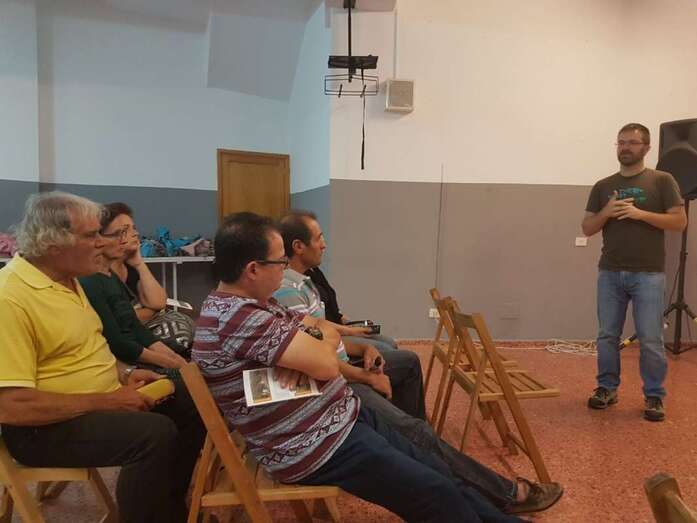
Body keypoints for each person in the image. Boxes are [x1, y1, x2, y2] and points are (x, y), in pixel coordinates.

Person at [192, 212, 562, 522]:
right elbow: (327, 364)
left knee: (437, 469)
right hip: (314, 445)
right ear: (253, 269)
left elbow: (323, 328)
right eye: (279, 262)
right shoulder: (238, 318)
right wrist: (318, 345)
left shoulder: (255, 305)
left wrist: (317, 339)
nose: (285, 269)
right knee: (435, 492)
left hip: (338, 417)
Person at [0, 192, 205, 523]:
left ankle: (169, 511)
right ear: (53, 243)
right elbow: (11, 407)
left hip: (95, 402)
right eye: (91, 235)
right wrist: (108, 401)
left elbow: (84, 350)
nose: (102, 243)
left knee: (190, 397)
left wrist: (125, 374)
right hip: (41, 430)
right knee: (152, 435)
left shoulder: (70, 280)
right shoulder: (10, 297)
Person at [275, 210, 425, 419]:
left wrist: (365, 347)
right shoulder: (288, 290)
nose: (324, 245)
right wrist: (367, 377)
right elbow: (318, 358)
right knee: (413, 429)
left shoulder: (306, 281)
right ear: (299, 246)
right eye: (319, 238)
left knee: (408, 360)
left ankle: (400, 418)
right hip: (337, 380)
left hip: (343, 363)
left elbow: (327, 334)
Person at [583, 123, 687, 421]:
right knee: (606, 336)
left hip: (648, 274)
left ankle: (654, 396)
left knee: (651, 338)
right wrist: (608, 211)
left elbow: (679, 222)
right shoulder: (603, 186)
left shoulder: (662, 180)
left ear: (647, 148)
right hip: (610, 272)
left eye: (632, 142)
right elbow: (587, 227)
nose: (625, 147)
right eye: (621, 142)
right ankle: (606, 388)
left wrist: (639, 214)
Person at [79, 207, 187, 370]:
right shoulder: (90, 280)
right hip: (121, 359)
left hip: (135, 348)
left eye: (128, 231)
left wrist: (173, 358)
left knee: (185, 361)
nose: (127, 238)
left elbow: (138, 324)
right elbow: (117, 341)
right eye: (119, 233)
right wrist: (167, 362)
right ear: (97, 239)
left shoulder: (111, 276)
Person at [103, 202, 167, 322]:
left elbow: (159, 303)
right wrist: (150, 312)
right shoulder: (98, 273)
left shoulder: (130, 265)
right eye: (125, 230)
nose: (136, 233)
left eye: (134, 228)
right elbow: (114, 320)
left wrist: (139, 264)